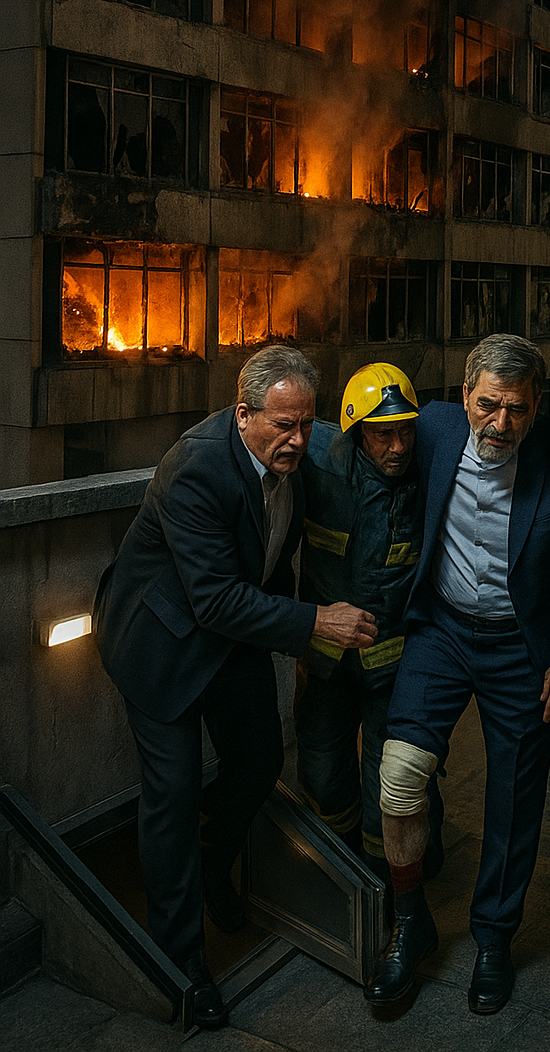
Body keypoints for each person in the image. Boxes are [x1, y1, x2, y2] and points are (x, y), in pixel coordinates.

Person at [94, 346, 375, 1030]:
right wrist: (315, 624)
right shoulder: (196, 467)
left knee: (257, 762)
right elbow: (215, 599)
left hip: (234, 637)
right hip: (162, 643)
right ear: (243, 412)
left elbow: (271, 559)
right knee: (174, 794)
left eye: (307, 424)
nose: (299, 440)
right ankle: (180, 966)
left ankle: (214, 863)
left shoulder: (292, 456)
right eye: (284, 425)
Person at [364, 334, 550, 1015]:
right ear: (463, 397)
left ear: (537, 406)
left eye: (516, 409)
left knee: (513, 805)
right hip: (442, 631)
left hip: (523, 646)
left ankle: (493, 939)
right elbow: (355, 447)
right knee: (397, 776)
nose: (499, 424)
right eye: (488, 405)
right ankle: (410, 920)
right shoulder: (431, 428)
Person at [295, 363, 441, 884]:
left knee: (394, 788)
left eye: (406, 430)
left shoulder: (431, 475)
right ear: (358, 433)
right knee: (319, 772)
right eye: (383, 434)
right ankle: (346, 871)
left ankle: (394, 886)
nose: (398, 446)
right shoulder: (318, 464)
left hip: (396, 669)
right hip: (325, 664)